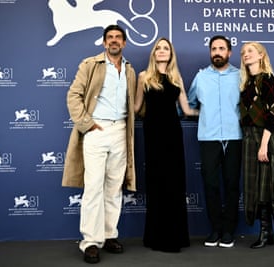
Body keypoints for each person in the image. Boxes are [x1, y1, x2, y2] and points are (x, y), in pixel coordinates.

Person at [61, 25, 137, 264]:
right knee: (93, 186)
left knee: (114, 187)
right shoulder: (90, 64)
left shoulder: (130, 69)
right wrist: (88, 124)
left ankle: (109, 234)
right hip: (97, 130)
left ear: (124, 43)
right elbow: (73, 95)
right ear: (104, 43)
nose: (114, 41)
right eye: (110, 38)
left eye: (118, 38)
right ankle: (91, 242)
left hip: (121, 131)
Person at [134, 37, 198, 253]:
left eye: (166, 49)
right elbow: (135, 108)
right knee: (156, 184)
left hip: (173, 135)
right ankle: (156, 237)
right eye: (158, 48)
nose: (162, 51)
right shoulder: (143, 77)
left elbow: (187, 111)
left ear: (171, 54)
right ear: (154, 53)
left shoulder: (176, 77)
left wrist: (214, 115)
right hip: (153, 135)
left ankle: (175, 236)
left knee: (174, 184)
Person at [187, 35, 242, 248]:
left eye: (221, 48)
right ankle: (215, 229)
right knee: (210, 185)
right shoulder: (200, 77)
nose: (216, 52)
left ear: (229, 52)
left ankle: (229, 231)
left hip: (234, 137)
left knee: (231, 185)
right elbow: (190, 104)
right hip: (208, 138)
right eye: (213, 49)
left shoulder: (240, 76)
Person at [239, 41, 274, 249]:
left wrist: (263, 146)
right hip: (250, 138)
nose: (246, 55)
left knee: (271, 185)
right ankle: (267, 232)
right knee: (258, 186)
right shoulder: (245, 84)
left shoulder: (268, 79)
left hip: (267, 138)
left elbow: (273, 115)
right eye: (243, 52)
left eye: (250, 51)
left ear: (261, 55)